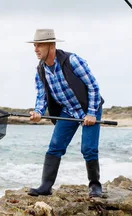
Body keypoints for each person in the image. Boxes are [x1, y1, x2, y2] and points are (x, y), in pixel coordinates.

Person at [27, 28, 104, 198]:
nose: (35, 49)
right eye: (34, 45)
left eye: (39, 45)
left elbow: (93, 86)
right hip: (68, 111)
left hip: (89, 108)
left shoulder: (72, 61)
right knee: (55, 147)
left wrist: (91, 113)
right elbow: (41, 96)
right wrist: (38, 112)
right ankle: (45, 186)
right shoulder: (40, 70)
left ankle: (95, 186)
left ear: (51, 46)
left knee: (88, 149)